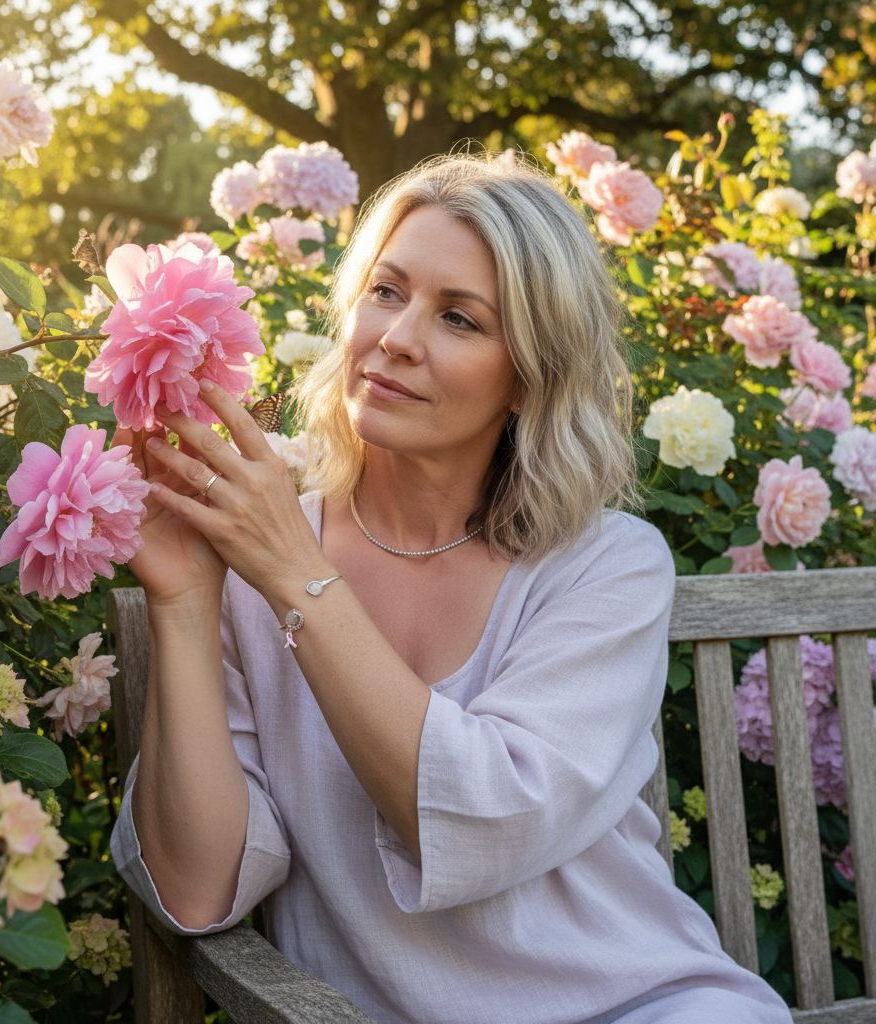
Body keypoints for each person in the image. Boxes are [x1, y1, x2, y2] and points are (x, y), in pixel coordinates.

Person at [109, 153, 793, 1024]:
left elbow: (483, 816)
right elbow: (199, 890)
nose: (397, 336)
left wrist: (292, 574)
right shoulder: (260, 555)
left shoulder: (606, 567)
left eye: (460, 318)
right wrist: (182, 600)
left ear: (528, 378)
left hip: (646, 1005)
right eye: (386, 292)